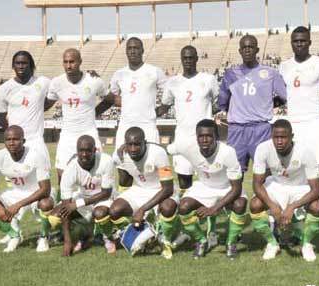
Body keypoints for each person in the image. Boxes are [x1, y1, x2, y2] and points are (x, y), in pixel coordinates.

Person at [279, 26, 319, 249]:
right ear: (291, 43)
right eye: (295, 41)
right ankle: (298, 232)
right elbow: (279, 98)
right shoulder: (284, 67)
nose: (299, 44)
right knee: (298, 180)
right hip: (294, 129)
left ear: (309, 42)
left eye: (303, 41)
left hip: (317, 126)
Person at [158, 45, 220, 247]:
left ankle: (211, 232)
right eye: (185, 57)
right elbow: (164, 105)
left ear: (196, 58)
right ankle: (189, 229)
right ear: (181, 59)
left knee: (209, 186)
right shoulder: (172, 82)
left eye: (191, 57)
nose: (188, 60)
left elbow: (218, 104)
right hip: (182, 143)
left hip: (205, 144)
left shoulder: (208, 80)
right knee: (185, 187)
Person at [250, 119, 319, 262]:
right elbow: (257, 184)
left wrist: (292, 206)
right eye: (276, 137)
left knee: (317, 206)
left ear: (292, 136)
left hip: (299, 188)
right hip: (276, 186)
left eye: (283, 137)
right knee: (255, 205)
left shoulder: (305, 152)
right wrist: (273, 206)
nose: (279, 141)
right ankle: (272, 244)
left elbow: (316, 190)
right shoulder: (263, 149)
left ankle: (306, 245)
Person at [218, 34, 287, 174]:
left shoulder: (270, 73)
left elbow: (284, 97)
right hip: (237, 130)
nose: (247, 50)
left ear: (257, 49)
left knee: (266, 173)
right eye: (244, 47)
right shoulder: (230, 74)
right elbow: (222, 102)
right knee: (234, 173)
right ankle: (238, 197)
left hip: (261, 129)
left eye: (250, 47)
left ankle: (264, 196)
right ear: (240, 51)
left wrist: (267, 104)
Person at [104, 127, 177, 259]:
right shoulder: (120, 155)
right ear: (124, 144)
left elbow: (168, 189)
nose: (133, 148)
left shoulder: (158, 153)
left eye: (137, 144)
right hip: (139, 189)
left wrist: (142, 209)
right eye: (129, 144)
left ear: (145, 142)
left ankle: (164, 239)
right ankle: (139, 234)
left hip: (161, 189)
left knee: (168, 207)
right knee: (114, 210)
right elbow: (116, 173)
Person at [0, 126, 54, 253]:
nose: (11, 142)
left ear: (23, 140)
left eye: (15, 139)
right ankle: (14, 234)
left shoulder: (36, 155)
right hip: (16, 192)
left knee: (46, 203)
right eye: (8, 139)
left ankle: (44, 237)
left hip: (37, 192)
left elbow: (45, 189)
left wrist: (18, 205)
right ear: (4, 141)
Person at [178, 119, 247, 260]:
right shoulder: (188, 147)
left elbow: (236, 188)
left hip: (227, 188)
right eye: (200, 136)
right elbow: (167, 149)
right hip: (204, 187)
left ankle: (231, 243)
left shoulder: (228, 152)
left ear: (216, 137)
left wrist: (215, 208)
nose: (204, 139)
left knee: (240, 204)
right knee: (183, 207)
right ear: (196, 137)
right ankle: (201, 241)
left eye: (208, 136)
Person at [46, 48, 112, 191]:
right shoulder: (57, 82)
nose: (69, 65)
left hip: (89, 132)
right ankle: (63, 203)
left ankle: (98, 200)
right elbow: (46, 104)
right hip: (68, 134)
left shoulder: (94, 81)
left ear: (80, 62)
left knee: (98, 170)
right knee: (61, 173)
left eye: (72, 62)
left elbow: (110, 99)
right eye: (66, 62)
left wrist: (94, 112)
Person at [50, 135, 115, 257]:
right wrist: (67, 242)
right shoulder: (70, 169)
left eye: (88, 151)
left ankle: (108, 235)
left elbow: (106, 192)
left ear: (95, 150)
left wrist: (78, 204)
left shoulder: (106, 160)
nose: (84, 154)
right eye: (81, 150)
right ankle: (83, 234)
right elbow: (66, 206)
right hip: (85, 197)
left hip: (105, 199)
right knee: (55, 217)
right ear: (77, 151)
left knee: (99, 213)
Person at [0, 50, 51, 168]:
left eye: (24, 63)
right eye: (17, 63)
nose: (21, 66)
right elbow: (0, 116)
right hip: (16, 143)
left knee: (42, 180)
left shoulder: (43, 82)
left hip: (36, 140)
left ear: (31, 65)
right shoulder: (4, 89)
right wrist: (12, 137)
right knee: (16, 180)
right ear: (13, 66)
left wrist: (89, 77)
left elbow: (61, 88)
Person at [109, 37, 167, 149]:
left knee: (152, 162)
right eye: (129, 48)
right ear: (126, 51)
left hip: (148, 125)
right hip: (125, 125)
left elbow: (170, 91)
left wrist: (163, 108)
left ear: (142, 50)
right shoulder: (119, 74)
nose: (132, 51)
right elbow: (111, 98)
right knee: (122, 163)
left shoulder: (154, 71)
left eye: (136, 48)